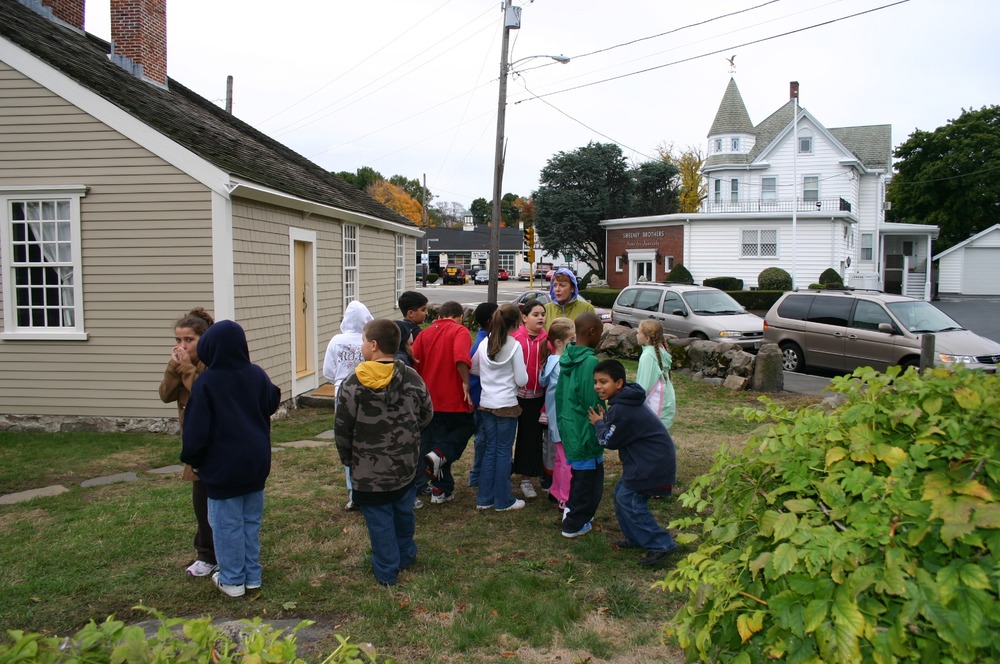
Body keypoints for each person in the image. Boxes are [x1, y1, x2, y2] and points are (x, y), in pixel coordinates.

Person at [180, 320, 281, 597]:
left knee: (226, 525)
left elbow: (196, 430)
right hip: (256, 463)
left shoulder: (208, 382)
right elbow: (273, 400)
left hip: (223, 467)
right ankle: (252, 576)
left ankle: (232, 579)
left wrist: (192, 458)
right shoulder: (256, 374)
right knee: (250, 521)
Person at [335, 319, 434, 586]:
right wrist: (409, 436)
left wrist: (349, 459)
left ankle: (387, 569)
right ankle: (405, 554)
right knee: (404, 511)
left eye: (365, 340)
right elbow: (427, 413)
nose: (362, 345)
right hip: (405, 462)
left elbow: (343, 427)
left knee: (379, 520)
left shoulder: (353, 384)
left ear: (374, 345)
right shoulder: (412, 377)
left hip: (368, 469)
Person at [588, 359, 679, 567]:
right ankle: (636, 538)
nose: (598, 387)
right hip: (648, 462)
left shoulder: (622, 409)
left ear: (619, 384)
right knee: (622, 496)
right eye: (596, 382)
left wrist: (599, 424)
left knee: (630, 501)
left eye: (604, 382)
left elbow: (608, 440)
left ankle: (661, 544)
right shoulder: (626, 401)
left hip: (651, 465)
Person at [158, 307, 217, 578]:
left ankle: (211, 554)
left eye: (189, 340)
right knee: (200, 502)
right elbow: (165, 394)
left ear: (203, 340)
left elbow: (205, 395)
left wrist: (185, 367)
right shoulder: (181, 365)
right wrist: (174, 366)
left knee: (212, 503)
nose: (182, 346)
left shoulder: (209, 365)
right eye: (178, 340)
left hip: (213, 444)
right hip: (193, 444)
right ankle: (205, 553)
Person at [411, 301, 476, 504]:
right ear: (460, 316)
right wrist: (466, 382)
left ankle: (441, 489)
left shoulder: (424, 333)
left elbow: (415, 361)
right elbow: (460, 358)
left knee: (437, 447)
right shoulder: (460, 331)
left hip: (430, 400)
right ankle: (440, 478)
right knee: (464, 431)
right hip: (455, 398)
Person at [470, 304, 529, 511]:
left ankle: (485, 499)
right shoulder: (515, 346)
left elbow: (474, 367)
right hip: (506, 406)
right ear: (516, 323)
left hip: (486, 404)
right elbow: (522, 380)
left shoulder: (485, 342)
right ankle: (504, 500)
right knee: (504, 452)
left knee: (490, 451)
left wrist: (489, 378)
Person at [555, 312, 605, 538]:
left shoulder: (567, 356)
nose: (601, 337)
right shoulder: (589, 361)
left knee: (584, 474)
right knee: (587, 479)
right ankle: (575, 522)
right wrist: (602, 419)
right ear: (592, 332)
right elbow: (590, 398)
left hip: (570, 424)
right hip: (585, 428)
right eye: (601, 333)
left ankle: (580, 513)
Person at [323, 300, 374, 511]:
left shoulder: (336, 341)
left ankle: (353, 493)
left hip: (342, 393)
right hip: (369, 392)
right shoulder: (369, 340)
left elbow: (328, 371)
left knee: (347, 440)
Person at [511, 299, 547, 499]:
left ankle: (527, 478)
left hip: (537, 397)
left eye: (543, 314)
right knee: (508, 437)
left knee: (531, 437)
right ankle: (503, 472)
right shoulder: (515, 338)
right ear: (524, 318)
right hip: (514, 396)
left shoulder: (547, 340)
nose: (540, 317)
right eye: (535, 314)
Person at [539, 317, 575, 511]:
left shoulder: (551, 362)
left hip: (555, 418)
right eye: (572, 340)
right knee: (567, 460)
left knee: (560, 457)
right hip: (564, 419)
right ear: (559, 343)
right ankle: (565, 498)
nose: (575, 344)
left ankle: (555, 490)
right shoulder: (563, 366)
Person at [468, 302, 499, 488]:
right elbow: (474, 370)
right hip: (481, 398)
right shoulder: (483, 343)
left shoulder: (486, 337)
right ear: (490, 321)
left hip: (484, 397)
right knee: (482, 438)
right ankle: (477, 474)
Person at [635, 320, 676, 432]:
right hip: (665, 404)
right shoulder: (660, 349)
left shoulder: (648, 356)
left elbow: (642, 387)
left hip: (655, 408)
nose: (636, 335)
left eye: (638, 332)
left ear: (647, 338)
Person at [395, 291, 429, 366]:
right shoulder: (419, 334)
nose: (426, 313)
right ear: (411, 313)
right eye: (423, 310)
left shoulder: (397, 331)